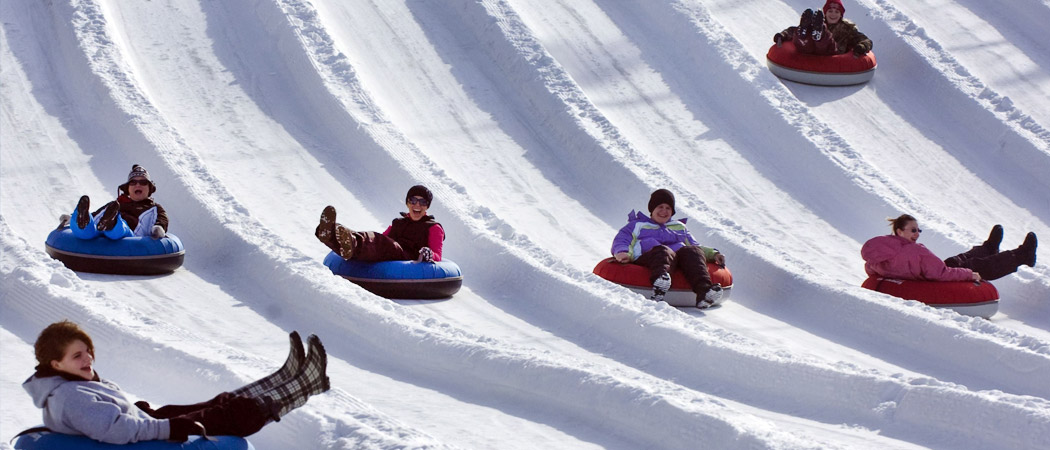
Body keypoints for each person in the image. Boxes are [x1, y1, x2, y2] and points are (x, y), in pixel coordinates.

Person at [22, 320, 329, 444]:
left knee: (215, 404)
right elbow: (119, 431)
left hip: (146, 425)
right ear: (55, 364)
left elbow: (106, 417)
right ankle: (303, 386)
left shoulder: (65, 386)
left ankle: (287, 379)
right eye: (78, 355)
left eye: (87, 350)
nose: (88, 358)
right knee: (231, 416)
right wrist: (168, 427)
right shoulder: (70, 396)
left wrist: (138, 410)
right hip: (149, 438)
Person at [611, 189, 724, 308]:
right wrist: (622, 252)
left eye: (668, 208)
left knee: (691, 250)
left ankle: (704, 293)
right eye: (660, 207)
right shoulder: (637, 225)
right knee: (662, 250)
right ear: (652, 209)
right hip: (648, 258)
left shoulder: (679, 227)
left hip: (678, 261)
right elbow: (622, 240)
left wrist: (714, 254)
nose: (664, 211)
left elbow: (695, 246)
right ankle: (660, 284)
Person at [861, 214, 1038, 282]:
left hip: (925, 274)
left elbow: (872, 271)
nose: (917, 234)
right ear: (900, 232)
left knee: (954, 261)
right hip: (934, 280)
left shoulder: (878, 253)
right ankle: (1023, 255)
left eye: (918, 230)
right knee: (974, 267)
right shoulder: (915, 251)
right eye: (913, 230)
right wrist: (969, 275)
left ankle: (988, 248)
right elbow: (940, 274)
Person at [315, 185, 445, 263]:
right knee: (372, 238)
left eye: (422, 202)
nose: (417, 205)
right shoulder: (399, 222)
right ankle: (331, 234)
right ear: (407, 203)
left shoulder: (433, 227)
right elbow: (377, 239)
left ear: (427, 206)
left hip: (406, 257)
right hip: (389, 252)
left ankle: (350, 241)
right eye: (413, 200)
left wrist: (429, 254)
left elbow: (438, 256)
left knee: (380, 241)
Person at [61, 165, 170, 240]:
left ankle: (112, 223)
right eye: (133, 182)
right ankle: (79, 220)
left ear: (149, 188)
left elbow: (162, 220)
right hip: (102, 234)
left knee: (121, 228)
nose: (138, 185)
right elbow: (96, 215)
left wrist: (158, 229)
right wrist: (70, 219)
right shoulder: (116, 204)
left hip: (131, 238)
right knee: (90, 228)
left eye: (143, 182)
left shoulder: (154, 208)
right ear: (128, 188)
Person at [774, 0, 872, 57]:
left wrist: (862, 46)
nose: (833, 14)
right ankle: (803, 34)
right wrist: (782, 35)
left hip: (832, 53)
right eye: (830, 11)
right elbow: (791, 30)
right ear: (825, 13)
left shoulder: (847, 29)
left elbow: (865, 40)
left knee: (825, 41)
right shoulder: (816, 21)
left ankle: (820, 34)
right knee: (805, 39)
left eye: (837, 12)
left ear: (841, 15)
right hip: (811, 51)